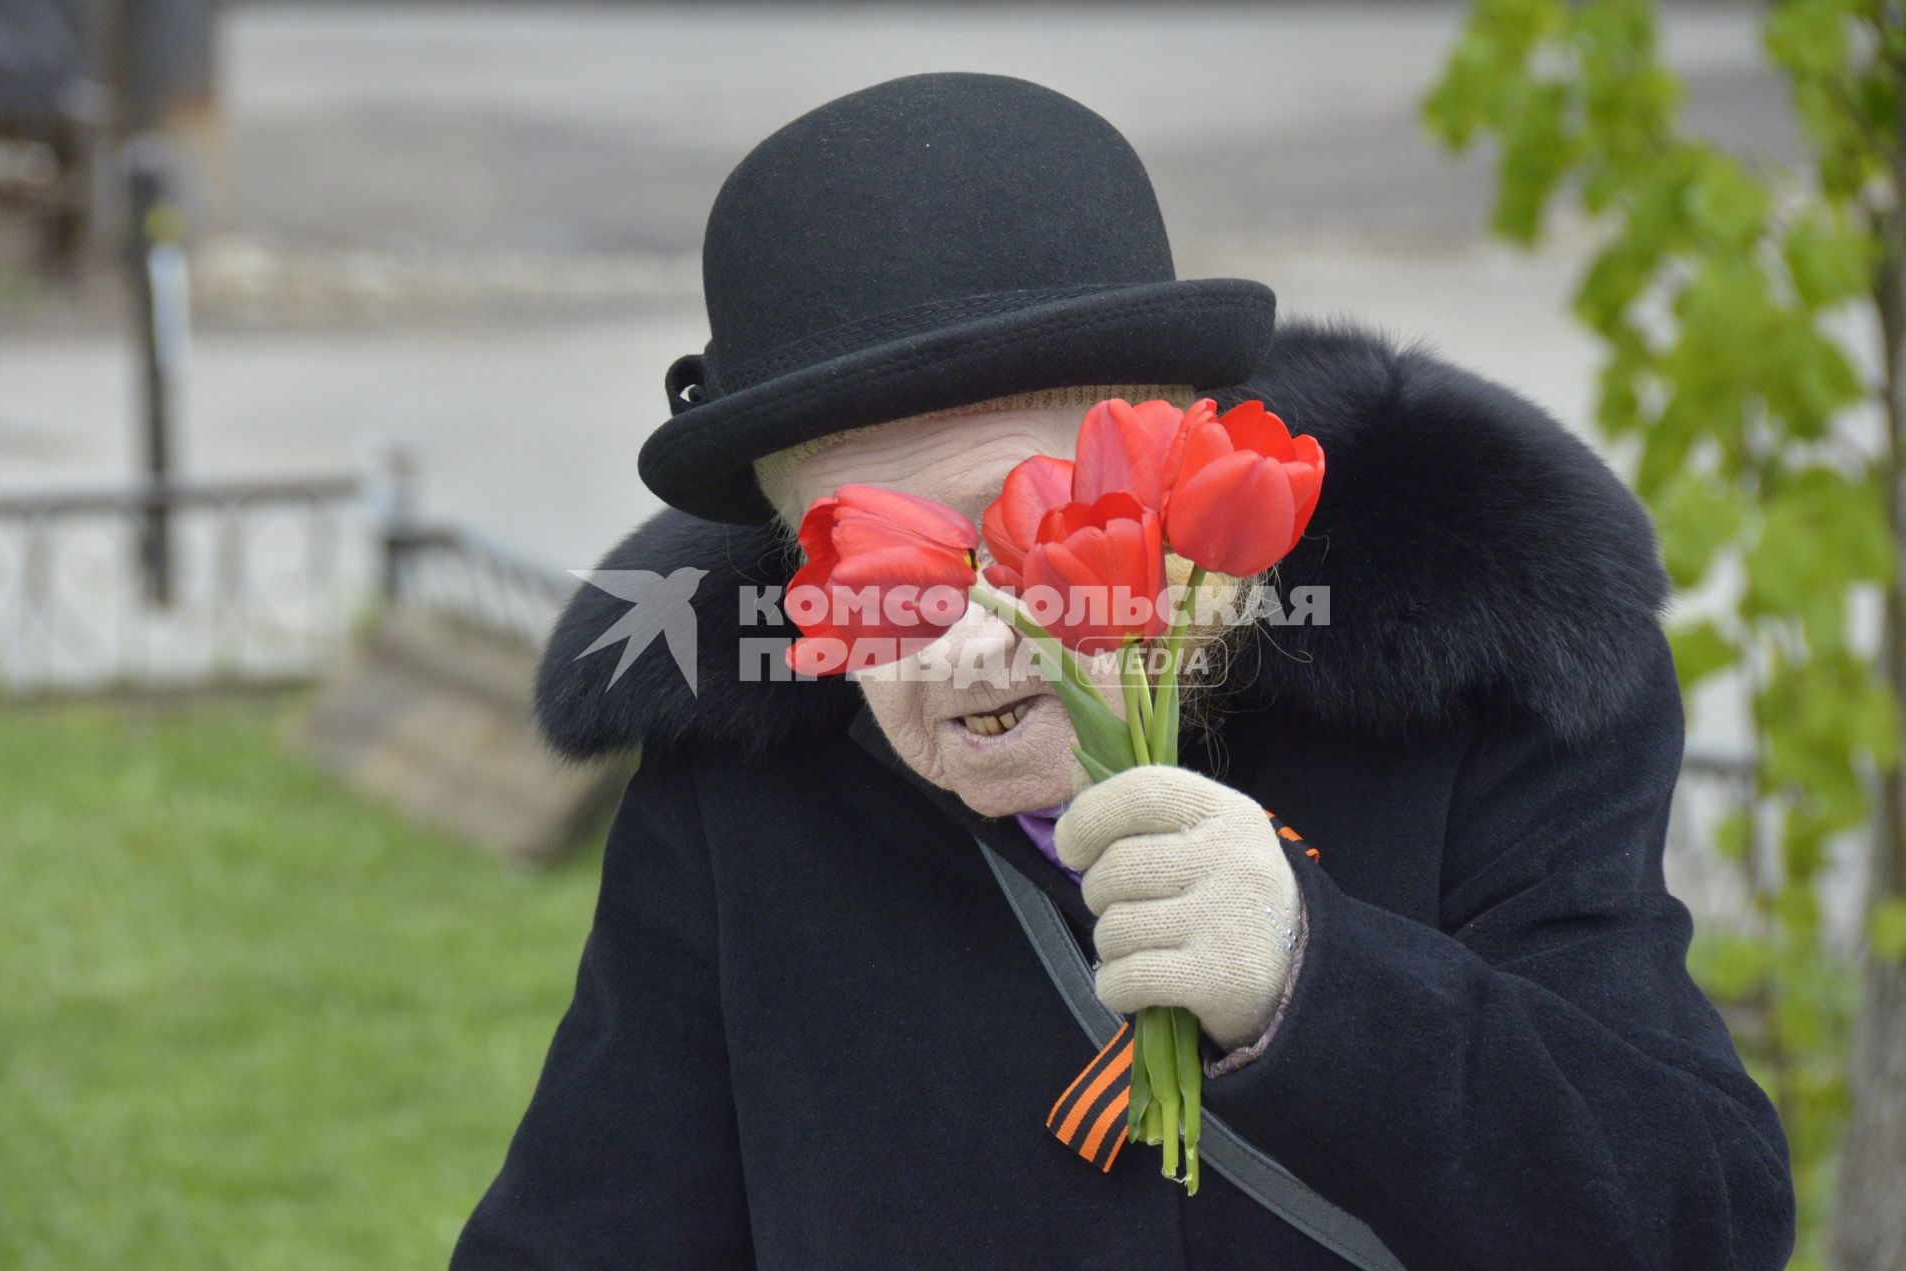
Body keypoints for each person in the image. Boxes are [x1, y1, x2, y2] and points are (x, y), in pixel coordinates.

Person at [452, 72, 1795, 1269]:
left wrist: (1314, 985)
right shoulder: (736, 780)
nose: (966, 641)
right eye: (877, 569)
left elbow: (1700, 1222)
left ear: (1167, 471)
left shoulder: (1481, 691)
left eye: (1018, 530)